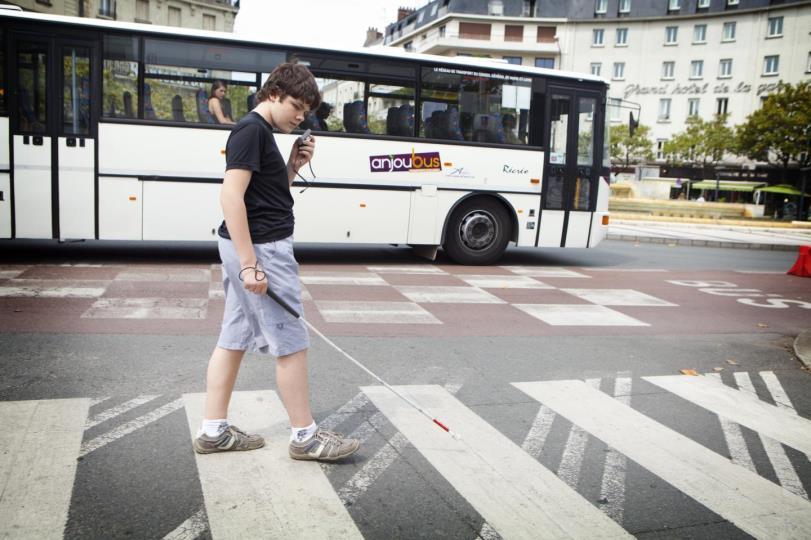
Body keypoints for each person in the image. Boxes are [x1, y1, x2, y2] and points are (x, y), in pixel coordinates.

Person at [193, 63, 360, 461]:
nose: (301, 116)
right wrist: (251, 264)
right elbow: (230, 197)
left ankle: (213, 431)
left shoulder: (260, 133)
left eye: (306, 110)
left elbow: (261, 196)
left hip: (251, 247)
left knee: (232, 339)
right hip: (263, 249)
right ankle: (306, 437)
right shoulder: (251, 131)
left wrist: (292, 168)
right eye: (296, 105)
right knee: (291, 343)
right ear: (272, 94)